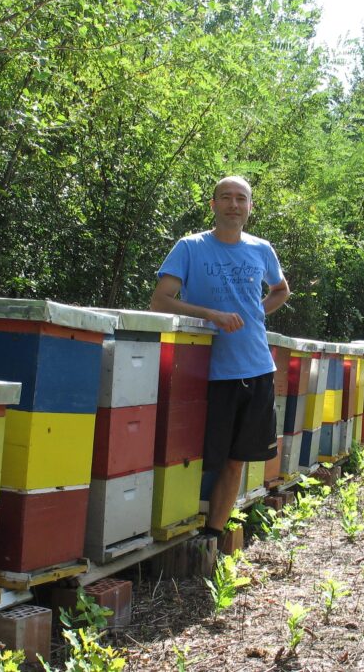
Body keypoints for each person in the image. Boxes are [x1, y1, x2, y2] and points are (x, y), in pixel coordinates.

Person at [150, 176, 290, 538]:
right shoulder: (190, 247)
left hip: (255, 367)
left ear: (250, 207)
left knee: (235, 460)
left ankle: (212, 537)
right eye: (226, 198)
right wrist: (210, 316)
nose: (233, 205)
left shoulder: (262, 249)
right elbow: (160, 300)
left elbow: (281, 290)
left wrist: (255, 312)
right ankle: (178, 528)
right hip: (204, 372)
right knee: (192, 457)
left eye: (241, 199)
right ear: (213, 205)